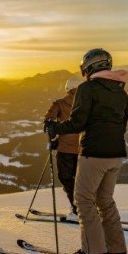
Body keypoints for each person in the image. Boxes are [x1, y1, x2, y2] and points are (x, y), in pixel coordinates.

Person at [44, 48, 128, 254]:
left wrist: (54, 127)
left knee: (83, 200)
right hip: (116, 154)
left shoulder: (87, 89)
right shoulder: (120, 92)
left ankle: (93, 252)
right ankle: (117, 251)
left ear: (89, 67)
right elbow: (122, 125)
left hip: (93, 153)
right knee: (105, 201)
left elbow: (77, 123)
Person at [44, 75, 83, 222]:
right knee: (82, 180)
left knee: (66, 178)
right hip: (85, 149)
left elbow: (49, 119)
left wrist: (53, 137)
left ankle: (77, 209)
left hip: (66, 149)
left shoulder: (60, 103)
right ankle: (86, 207)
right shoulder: (88, 104)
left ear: (68, 88)